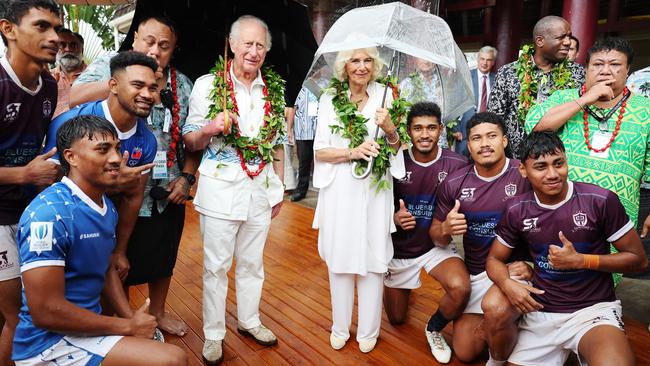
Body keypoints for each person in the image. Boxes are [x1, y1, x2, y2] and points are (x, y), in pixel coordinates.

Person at [13, 115, 187, 366]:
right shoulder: (48, 215)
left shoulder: (105, 206)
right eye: (102, 149)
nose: (117, 158)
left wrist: (134, 320)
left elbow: (105, 267)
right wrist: (127, 325)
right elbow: (44, 312)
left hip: (85, 331)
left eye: (117, 148)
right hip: (49, 344)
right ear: (71, 157)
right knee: (172, 359)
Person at [69, 15, 197, 337]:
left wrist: (187, 177)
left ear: (173, 50)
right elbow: (74, 97)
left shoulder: (182, 83)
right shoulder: (111, 65)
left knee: (164, 254)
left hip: (167, 187)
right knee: (117, 257)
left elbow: (191, 138)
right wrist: (131, 81)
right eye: (149, 42)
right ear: (136, 37)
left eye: (164, 46)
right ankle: (125, 318)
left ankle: (158, 313)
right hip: (117, 183)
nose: (155, 50)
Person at [487, 131, 647, 366]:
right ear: (523, 170)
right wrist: (508, 285)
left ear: (566, 161)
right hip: (542, 313)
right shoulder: (516, 208)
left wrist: (582, 260)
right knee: (493, 305)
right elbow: (493, 259)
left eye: (558, 163)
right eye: (541, 167)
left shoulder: (600, 200)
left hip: (593, 311)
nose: (552, 174)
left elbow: (639, 260)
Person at [183, 15, 286, 365]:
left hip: (261, 189)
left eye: (260, 45)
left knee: (253, 264)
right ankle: (213, 334)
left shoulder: (274, 89)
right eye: (247, 44)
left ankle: (249, 320)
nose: (254, 52)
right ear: (231, 44)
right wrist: (212, 127)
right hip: (220, 191)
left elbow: (279, 144)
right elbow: (189, 140)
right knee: (215, 267)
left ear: (267, 50)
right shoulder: (209, 85)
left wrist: (281, 186)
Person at [526, 37, 650, 286]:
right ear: (586, 70)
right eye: (597, 64)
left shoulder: (646, 109)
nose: (606, 70)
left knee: (602, 282)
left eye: (615, 64)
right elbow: (535, 129)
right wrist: (586, 99)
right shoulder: (563, 98)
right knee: (551, 276)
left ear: (628, 71)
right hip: (558, 209)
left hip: (616, 217)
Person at [313, 44, 406, 354]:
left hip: (375, 190)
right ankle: (340, 327)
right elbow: (320, 150)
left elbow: (396, 148)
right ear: (345, 66)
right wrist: (351, 152)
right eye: (355, 60)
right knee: (340, 259)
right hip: (340, 188)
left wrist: (390, 128)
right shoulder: (329, 99)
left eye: (368, 60)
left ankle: (368, 329)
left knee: (373, 257)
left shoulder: (385, 96)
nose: (362, 66)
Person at [45, 51, 158, 299]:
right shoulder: (72, 123)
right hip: (61, 231)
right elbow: (47, 185)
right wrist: (112, 182)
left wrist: (119, 250)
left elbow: (133, 197)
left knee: (107, 294)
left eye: (153, 87)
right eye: (138, 85)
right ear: (113, 85)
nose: (148, 95)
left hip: (105, 231)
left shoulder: (147, 139)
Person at [429, 112, 532, 363]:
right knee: (465, 351)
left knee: (497, 311)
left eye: (491, 136)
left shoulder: (525, 174)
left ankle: (504, 328)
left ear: (505, 141)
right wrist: (445, 229)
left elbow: (552, 221)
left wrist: (533, 265)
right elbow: (435, 236)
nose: (484, 144)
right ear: (469, 143)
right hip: (478, 273)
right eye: (476, 138)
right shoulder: (455, 183)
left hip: (517, 271)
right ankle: (508, 326)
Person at [384, 102, 469, 363]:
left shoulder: (457, 163)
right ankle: (397, 285)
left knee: (460, 287)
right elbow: (370, 203)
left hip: (436, 246)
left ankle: (433, 328)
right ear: (408, 131)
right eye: (418, 128)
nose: (424, 134)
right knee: (397, 319)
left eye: (431, 128)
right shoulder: (394, 161)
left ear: (441, 129)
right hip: (399, 250)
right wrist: (392, 218)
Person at [0, 1, 60, 364]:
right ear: (8, 29)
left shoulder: (49, 86)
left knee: (34, 311)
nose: (54, 37)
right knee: (15, 318)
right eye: (42, 27)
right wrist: (24, 174)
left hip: (27, 212)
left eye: (56, 29)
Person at [488, 15, 584, 158]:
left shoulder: (578, 74)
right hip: (517, 162)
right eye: (561, 37)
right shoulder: (509, 73)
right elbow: (494, 119)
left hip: (562, 161)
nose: (568, 42)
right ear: (540, 41)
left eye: (569, 37)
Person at [455, 46, 497, 157]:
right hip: (465, 129)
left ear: (493, 62)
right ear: (478, 59)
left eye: (488, 60)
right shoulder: (466, 76)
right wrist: (456, 129)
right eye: (482, 59)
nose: (485, 63)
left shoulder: (497, 79)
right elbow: (456, 102)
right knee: (462, 162)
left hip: (488, 127)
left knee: (485, 159)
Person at [400, 57, 448, 148]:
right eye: (422, 58)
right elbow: (402, 116)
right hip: (417, 142)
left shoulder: (443, 83)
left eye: (429, 57)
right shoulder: (407, 84)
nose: (426, 61)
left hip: (441, 140)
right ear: (415, 60)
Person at [286, 87, 318, 202]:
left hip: (318, 132)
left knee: (321, 161)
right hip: (302, 132)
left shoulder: (322, 89)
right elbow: (292, 110)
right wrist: (289, 129)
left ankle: (323, 190)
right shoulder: (300, 89)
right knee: (303, 162)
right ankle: (301, 191)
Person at [50, 28, 86, 118]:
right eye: (62, 45)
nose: (68, 49)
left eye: (73, 45)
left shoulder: (98, 76)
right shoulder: (47, 78)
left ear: (82, 50)